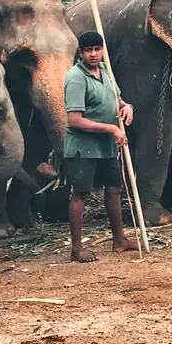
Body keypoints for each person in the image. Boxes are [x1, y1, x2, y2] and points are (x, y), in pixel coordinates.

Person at [63, 30, 137, 263]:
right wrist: (112, 129)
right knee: (81, 194)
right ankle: (76, 249)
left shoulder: (105, 71)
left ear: (102, 50)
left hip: (106, 146)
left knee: (114, 188)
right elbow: (74, 120)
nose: (94, 54)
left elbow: (115, 99)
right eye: (88, 50)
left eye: (97, 49)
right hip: (83, 147)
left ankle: (119, 241)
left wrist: (126, 106)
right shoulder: (76, 77)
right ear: (80, 53)